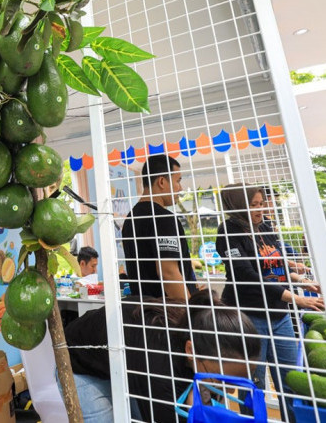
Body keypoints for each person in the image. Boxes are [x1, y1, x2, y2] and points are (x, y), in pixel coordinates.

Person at [62, 291, 261, 422]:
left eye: (240, 381)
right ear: (191, 351)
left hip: (126, 360)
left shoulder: (196, 331)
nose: (232, 390)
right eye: (220, 380)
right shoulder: (159, 366)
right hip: (78, 362)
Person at [216, 183, 324, 420]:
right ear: (237, 206)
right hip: (250, 317)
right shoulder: (228, 232)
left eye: (261, 204)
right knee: (253, 383)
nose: (260, 210)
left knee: (291, 380)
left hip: (279, 316)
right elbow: (247, 274)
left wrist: (299, 281)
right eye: (253, 205)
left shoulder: (265, 227)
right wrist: (294, 298)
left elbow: (275, 263)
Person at [121, 154, 197, 300]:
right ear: (162, 181)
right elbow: (168, 273)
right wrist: (192, 312)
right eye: (178, 181)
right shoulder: (163, 218)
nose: (180, 188)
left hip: (144, 312)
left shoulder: (131, 217)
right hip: (170, 314)